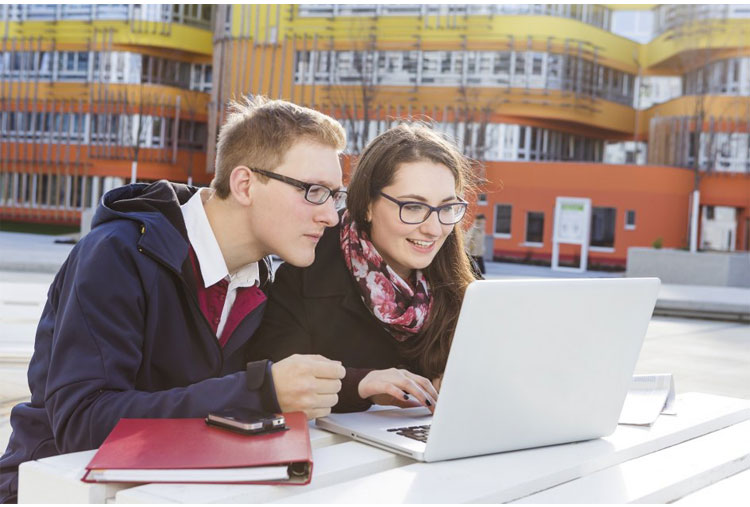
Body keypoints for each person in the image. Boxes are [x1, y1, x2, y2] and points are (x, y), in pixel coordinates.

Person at [0, 97, 349, 503]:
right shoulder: (117, 254)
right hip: (58, 487)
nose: (332, 216)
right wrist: (259, 392)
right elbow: (82, 423)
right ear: (245, 184)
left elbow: (270, 379)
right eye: (314, 192)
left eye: (335, 196)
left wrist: (359, 383)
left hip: (169, 487)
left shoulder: (259, 279)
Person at [247, 123, 480, 413]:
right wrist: (361, 385)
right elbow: (271, 383)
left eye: (446, 208)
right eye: (413, 207)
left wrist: (465, 379)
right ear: (368, 204)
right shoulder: (306, 271)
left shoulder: (459, 273)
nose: (433, 229)